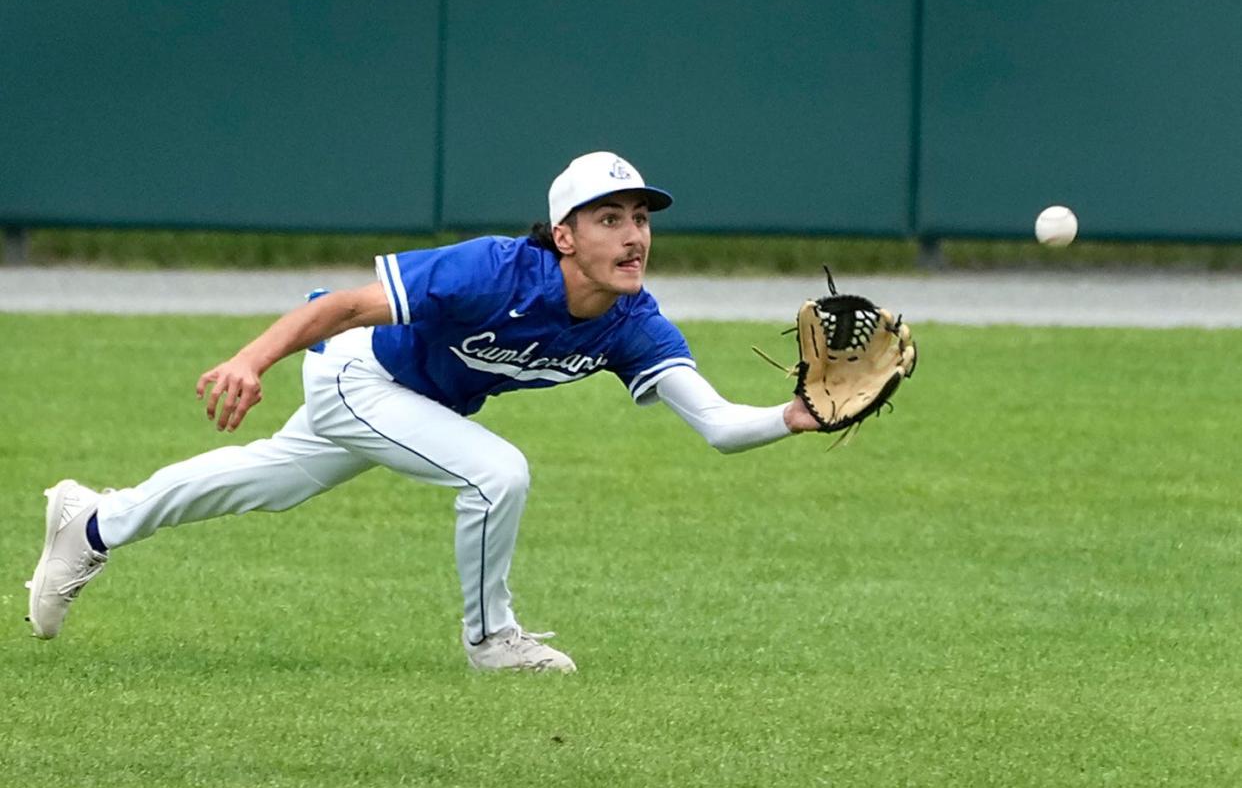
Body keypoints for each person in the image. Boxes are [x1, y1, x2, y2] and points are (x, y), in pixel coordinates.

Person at [27, 151, 821, 672]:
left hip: (407, 400)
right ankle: (490, 639)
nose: (633, 235)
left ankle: (92, 521)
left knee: (266, 480)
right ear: (564, 236)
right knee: (497, 470)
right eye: (609, 218)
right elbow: (342, 305)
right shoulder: (494, 272)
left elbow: (717, 424)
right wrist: (250, 358)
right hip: (358, 376)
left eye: (641, 218)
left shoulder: (634, 321)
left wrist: (794, 414)